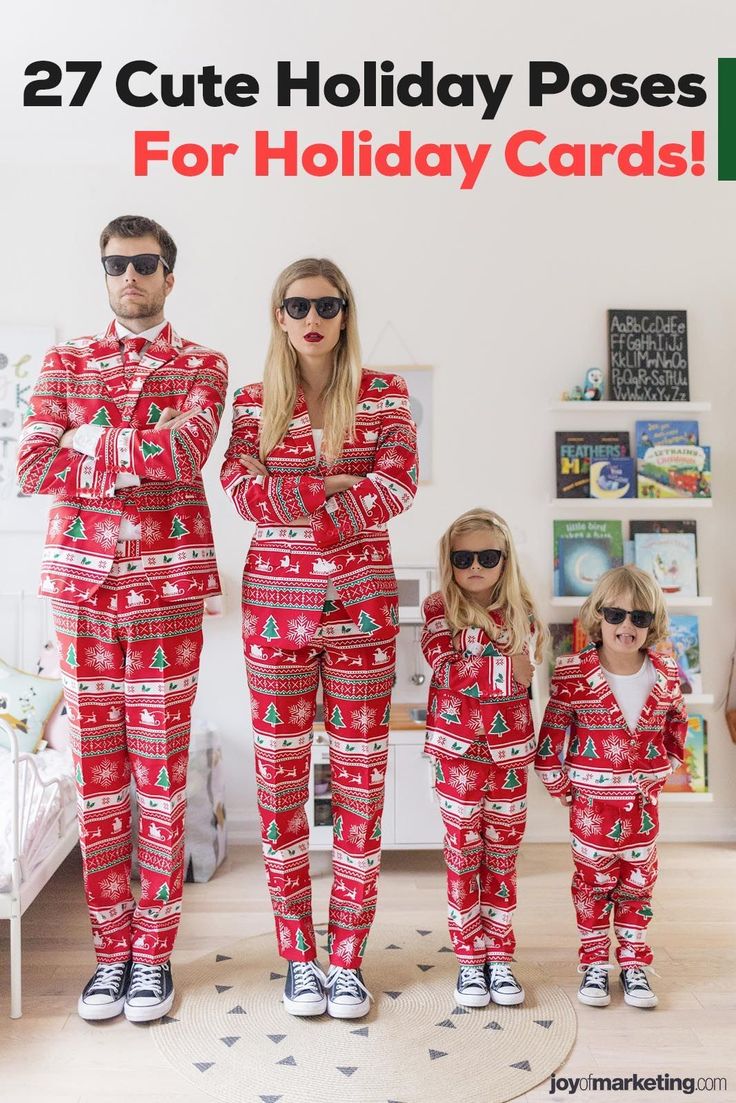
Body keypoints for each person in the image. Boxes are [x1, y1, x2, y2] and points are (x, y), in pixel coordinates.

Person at [16, 215, 228, 1022]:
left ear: (170, 275)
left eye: (145, 263)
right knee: (98, 783)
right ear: (103, 273)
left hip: (168, 595)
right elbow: (32, 464)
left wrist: (84, 431)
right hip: (82, 597)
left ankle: (155, 957)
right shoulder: (66, 360)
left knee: (162, 781)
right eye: (117, 264)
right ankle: (112, 956)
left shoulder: (205, 363)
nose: (129, 276)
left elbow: (188, 453)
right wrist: (125, 436)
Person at [220, 257, 418, 1019]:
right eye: (297, 304)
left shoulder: (386, 394)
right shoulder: (250, 403)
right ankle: (299, 956)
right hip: (275, 609)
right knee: (280, 784)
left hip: (363, 608)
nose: (313, 316)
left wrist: (297, 497)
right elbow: (242, 493)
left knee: (362, 782)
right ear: (278, 314)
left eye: (327, 304)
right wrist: (337, 483)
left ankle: (347, 960)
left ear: (344, 312)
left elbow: (398, 482)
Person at [535, 564, 688, 1010]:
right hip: (590, 810)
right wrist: (569, 793)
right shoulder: (573, 673)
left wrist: (664, 768)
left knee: (639, 885)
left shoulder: (664, 673)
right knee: (591, 886)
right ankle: (595, 963)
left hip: (643, 810)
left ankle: (635, 963)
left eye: (640, 618)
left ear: (652, 623)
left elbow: (677, 727)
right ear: (597, 615)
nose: (627, 626)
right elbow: (551, 743)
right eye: (617, 614)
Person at [420, 508, 546, 1008]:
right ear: (449, 562)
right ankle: (470, 959)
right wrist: (502, 666)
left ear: (504, 560)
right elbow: (443, 666)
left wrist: (476, 658)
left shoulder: (524, 613)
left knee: (503, 857)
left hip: (510, 754)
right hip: (455, 755)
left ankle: (500, 954)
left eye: (487, 557)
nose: (475, 566)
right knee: (462, 855)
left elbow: (521, 672)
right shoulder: (437, 608)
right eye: (463, 557)